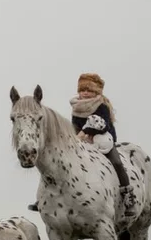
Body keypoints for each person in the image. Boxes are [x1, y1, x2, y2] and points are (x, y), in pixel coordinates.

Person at [28, 73, 137, 216]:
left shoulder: (102, 106)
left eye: (89, 90)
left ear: (96, 92)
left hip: (103, 141)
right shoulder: (77, 107)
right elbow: (75, 126)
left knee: (116, 162)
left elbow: (101, 124)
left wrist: (84, 132)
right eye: (82, 90)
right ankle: (45, 197)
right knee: (58, 162)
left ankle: (128, 196)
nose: (85, 93)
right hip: (83, 142)